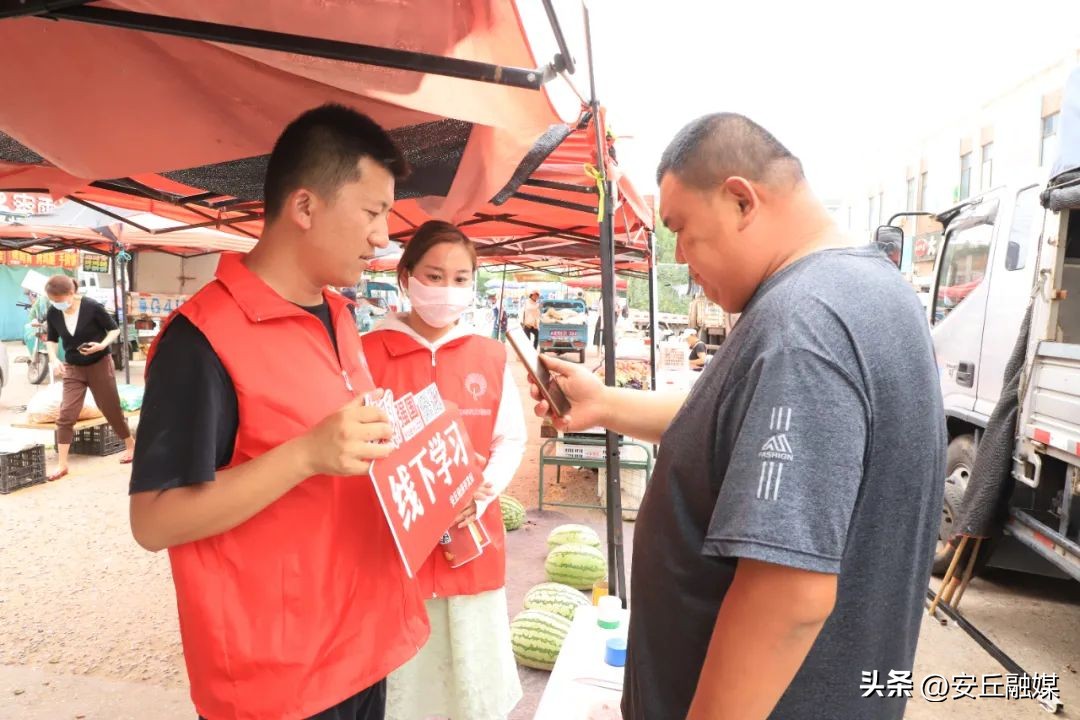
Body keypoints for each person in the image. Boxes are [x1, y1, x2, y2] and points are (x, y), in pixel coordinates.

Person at [530, 113, 945, 720]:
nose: (678, 256)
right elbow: (740, 427)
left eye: (681, 228)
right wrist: (607, 404)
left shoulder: (804, 327)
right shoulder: (866, 292)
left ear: (740, 200)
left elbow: (790, 596)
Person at [128, 105, 429, 720]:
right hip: (279, 682)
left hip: (360, 647)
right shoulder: (202, 340)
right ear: (305, 207)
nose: (383, 236)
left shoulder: (340, 317)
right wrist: (305, 455)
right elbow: (153, 522)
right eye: (373, 212)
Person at [361, 220, 526, 720]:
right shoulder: (367, 353)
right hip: (392, 549)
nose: (447, 290)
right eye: (434, 276)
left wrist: (483, 491)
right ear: (406, 275)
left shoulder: (490, 355)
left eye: (460, 278)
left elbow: (510, 438)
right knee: (401, 687)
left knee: (468, 681)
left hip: (468, 544)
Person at [43, 274, 134, 480]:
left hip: (99, 364)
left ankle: (130, 445)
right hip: (73, 366)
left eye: (59, 300)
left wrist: (102, 345)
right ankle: (62, 464)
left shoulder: (92, 306)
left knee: (110, 408)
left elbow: (114, 329)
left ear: (71, 293)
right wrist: (53, 359)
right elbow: (51, 338)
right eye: (53, 301)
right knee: (66, 414)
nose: (57, 304)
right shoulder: (53, 312)